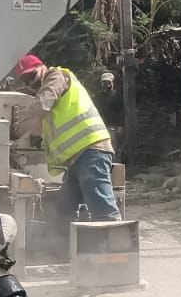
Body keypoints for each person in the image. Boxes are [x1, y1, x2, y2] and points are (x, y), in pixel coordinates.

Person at [12, 54, 121, 228]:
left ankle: (115, 249)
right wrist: (34, 137)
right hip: (76, 159)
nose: (30, 83)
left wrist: (18, 125)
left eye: (31, 76)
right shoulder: (50, 97)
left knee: (101, 207)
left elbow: (42, 104)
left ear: (41, 66)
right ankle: (63, 248)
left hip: (92, 150)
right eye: (25, 80)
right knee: (65, 210)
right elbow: (45, 127)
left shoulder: (57, 75)